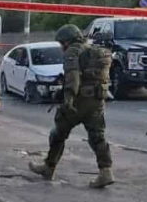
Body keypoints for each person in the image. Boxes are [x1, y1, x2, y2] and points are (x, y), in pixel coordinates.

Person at [28, 24, 115, 188]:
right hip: (97, 100)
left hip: (78, 100)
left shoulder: (72, 52)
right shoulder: (95, 51)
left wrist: (68, 97)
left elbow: (73, 76)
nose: (61, 47)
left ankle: (49, 166)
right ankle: (106, 171)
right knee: (97, 136)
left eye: (61, 43)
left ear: (66, 41)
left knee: (58, 133)